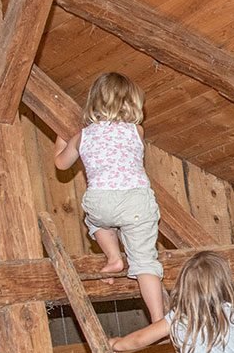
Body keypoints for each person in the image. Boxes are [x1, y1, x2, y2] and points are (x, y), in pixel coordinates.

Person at [54, 72, 165, 322]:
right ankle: (158, 320)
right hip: (135, 200)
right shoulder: (137, 131)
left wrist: (61, 137)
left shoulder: (83, 136)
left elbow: (61, 164)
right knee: (145, 262)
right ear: (132, 103)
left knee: (97, 222)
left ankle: (114, 258)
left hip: (100, 199)